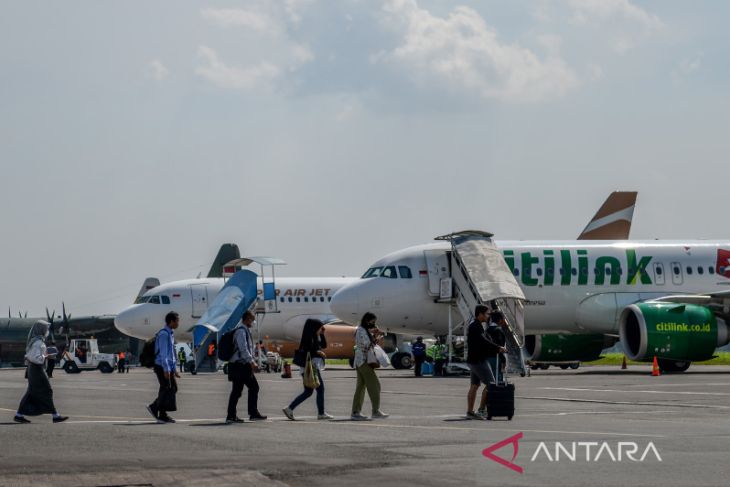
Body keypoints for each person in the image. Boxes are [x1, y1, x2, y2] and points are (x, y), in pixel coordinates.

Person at [14, 321, 68, 424]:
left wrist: (44, 354)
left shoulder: (35, 341)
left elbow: (30, 356)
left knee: (30, 392)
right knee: (47, 390)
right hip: (37, 369)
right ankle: (55, 415)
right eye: (46, 328)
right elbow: (36, 358)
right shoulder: (38, 342)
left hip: (33, 369)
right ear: (41, 329)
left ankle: (19, 415)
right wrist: (47, 356)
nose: (47, 331)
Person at [282, 319, 333, 421]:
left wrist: (322, 334)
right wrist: (319, 353)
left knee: (308, 391)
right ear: (314, 327)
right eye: (319, 327)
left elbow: (324, 345)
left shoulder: (313, 337)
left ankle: (290, 408)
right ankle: (321, 413)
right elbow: (309, 352)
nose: (320, 329)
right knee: (320, 389)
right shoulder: (308, 339)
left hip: (309, 368)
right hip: (310, 368)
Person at [226, 311, 267, 424]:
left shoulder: (245, 331)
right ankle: (244, 414)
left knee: (242, 390)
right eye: (252, 320)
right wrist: (252, 362)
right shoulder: (241, 331)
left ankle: (237, 415)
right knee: (244, 389)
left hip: (242, 366)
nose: (253, 322)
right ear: (247, 319)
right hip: (239, 366)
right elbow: (243, 349)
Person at [466, 305, 505, 420]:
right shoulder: (476, 327)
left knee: (475, 385)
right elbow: (483, 341)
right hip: (478, 360)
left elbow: (484, 341)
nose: (489, 316)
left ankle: (470, 411)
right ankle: (481, 410)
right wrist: (498, 348)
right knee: (491, 384)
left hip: (473, 360)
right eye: (487, 314)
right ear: (480, 314)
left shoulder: (477, 326)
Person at [351, 312, 388, 421]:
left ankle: (355, 412)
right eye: (372, 321)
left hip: (360, 362)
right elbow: (367, 346)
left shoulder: (362, 330)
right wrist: (376, 337)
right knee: (375, 385)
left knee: (361, 387)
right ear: (367, 320)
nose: (373, 324)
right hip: (364, 361)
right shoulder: (362, 330)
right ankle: (375, 411)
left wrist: (374, 336)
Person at [146, 311, 180, 424]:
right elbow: (164, 354)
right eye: (177, 321)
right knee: (166, 388)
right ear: (171, 321)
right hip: (161, 366)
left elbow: (172, 353)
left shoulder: (170, 333)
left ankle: (160, 412)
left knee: (172, 388)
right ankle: (156, 409)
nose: (178, 323)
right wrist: (166, 369)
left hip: (167, 366)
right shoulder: (164, 334)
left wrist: (174, 369)